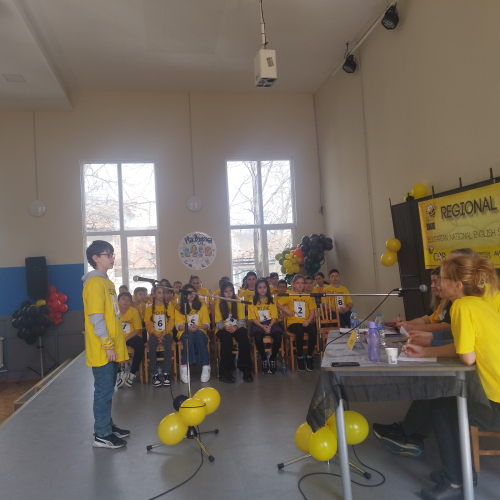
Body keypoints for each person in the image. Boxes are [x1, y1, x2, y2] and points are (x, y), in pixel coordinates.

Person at [403, 256, 500, 500]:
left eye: (443, 278)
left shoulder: (461, 307)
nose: (438, 282)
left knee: (442, 409)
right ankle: (462, 473)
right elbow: (463, 348)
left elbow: (466, 357)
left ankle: (456, 481)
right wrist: (426, 352)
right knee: (446, 404)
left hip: (497, 402)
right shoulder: (477, 304)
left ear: (458, 285)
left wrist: (428, 350)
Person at [82, 240, 129, 449]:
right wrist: (107, 345)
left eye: (112, 254)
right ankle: (101, 434)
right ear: (95, 258)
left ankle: (107, 425)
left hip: (111, 346)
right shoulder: (94, 283)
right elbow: (96, 317)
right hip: (103, 348)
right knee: (103, 391)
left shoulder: (107, 283)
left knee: (108, 389)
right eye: (108, 254)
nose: (112, 258)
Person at [215, 281, 253, 383]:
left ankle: (246, 368)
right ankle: (225, 370)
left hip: (237, 327)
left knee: (243, 337)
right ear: (222, 292)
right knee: (226, 339)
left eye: (231, 291)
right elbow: (218, 323)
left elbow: (241, 320)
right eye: (226, 291)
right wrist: (225, 327)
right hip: (223, 328)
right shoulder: (218, 302)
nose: (229, 293)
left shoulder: (238, 301)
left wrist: (235, 327)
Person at [175, 284, 211, 383]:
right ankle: (184, 366)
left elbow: (206, 324)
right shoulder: (179, 307)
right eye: (188, 293)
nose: (191, 294)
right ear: (184, 295)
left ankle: (206, 366)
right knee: (189, 336)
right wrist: (189, 328)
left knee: (199, 335)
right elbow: (178, 326)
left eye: (193, 292)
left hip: (200, 330)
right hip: (184, 331)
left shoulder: (202, 305)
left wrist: (198, 327)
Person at [282, 274, 317, 371]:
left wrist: (308, 321)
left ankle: (309, 356)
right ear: (293, 284)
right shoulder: (289, 294)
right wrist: (286, 310)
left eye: (302, 283)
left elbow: (312, 311)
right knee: (299, 332)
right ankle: (300, 357)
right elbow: (277, 303)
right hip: (293, 322)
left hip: (305, 321)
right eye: (298, 283)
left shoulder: (307, 296)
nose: (300, 285)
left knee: (313, 331)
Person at [248, 278, 284, 374]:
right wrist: (262, 327)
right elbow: (253, 318)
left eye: (264, 287)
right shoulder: (252, 301)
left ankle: (272, 358)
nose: (262, 289)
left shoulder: (271, 300)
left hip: (270, 322)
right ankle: (263, 358)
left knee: (278, 335)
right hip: (258, 323)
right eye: (260, 287)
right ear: (256, 289)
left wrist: (270, 326)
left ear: (267, 289)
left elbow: (274, 316)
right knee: (257, 337)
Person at [145, 285, 175, 387]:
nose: (162, 295)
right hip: (154, 334)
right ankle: (155, 374)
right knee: (152, 346)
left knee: (167, 345)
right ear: (153, 294)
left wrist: (164, 333)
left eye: (163, 292)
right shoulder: (149, 309)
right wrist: (155, 334)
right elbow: (148, 324)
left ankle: (166, 373)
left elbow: (171, 323)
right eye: (159, 293)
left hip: (166, 334)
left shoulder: (169, 307)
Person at [116, 292, 145, 388]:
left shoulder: (133, 311)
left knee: (140, 344)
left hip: (130, 336)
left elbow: (138, 329)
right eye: (123, 299)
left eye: (128, 300)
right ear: (118, 301)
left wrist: (125, 339)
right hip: (117, 337)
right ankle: (118, 373)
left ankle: (132, 373)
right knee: (108, 346)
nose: (126, 302)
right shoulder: (113, 311)